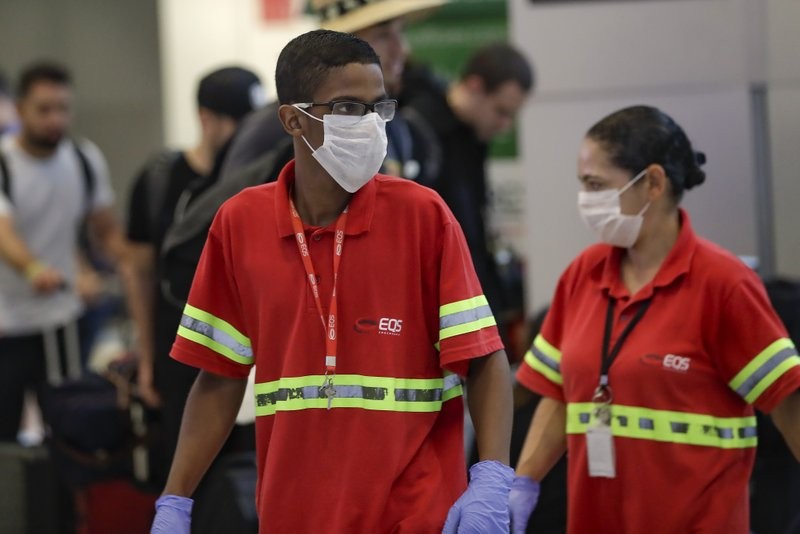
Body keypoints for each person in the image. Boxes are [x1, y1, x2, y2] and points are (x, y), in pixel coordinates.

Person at [151, 29, 515, 533]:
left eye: (378, 107)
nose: (368, 124)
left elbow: (483, 358)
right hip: (293, 514)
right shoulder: (239, 223)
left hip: (415, 514)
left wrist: (492, 477)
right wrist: (175, 500)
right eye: (347, 108)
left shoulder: (422, 215)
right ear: (292, 119)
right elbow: (219, 377)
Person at [508, 105, 800, 533]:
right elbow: (556, 394)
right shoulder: (582, 276)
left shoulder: (723, 285)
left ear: (653, 184)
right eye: (582, 184)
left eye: (596, 185)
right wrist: (523, 484)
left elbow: (788, 403)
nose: (585, 200)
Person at [126, 66, 264, 478]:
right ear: (207, 119)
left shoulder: (262, 180)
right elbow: (138, 270)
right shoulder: (161, 180)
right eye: (240, 123)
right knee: (189, 468)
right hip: (180, 346)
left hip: (248, 349)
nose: (249, 135)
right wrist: (147, 355)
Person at [0, 61, 146, 440]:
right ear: (20, 110)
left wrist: (135, 260)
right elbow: (4, 234)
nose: (55, 119)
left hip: (59, 322)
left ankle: (61, 500)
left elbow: (106, 229)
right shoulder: (4, 163)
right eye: (44, 109)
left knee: (67, 428)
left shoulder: (83, 159)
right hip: (6, 324)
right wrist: (34, 270)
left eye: (63, 109)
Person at [216, 0, 445, 182]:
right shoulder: (279, 127)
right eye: (383, 35)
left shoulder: (393, 124)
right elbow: (233, 221)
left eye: (400, 31)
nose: (402, 49)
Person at [404, 43, 533, 347]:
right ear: (475, 86)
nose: (504, 125)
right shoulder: (419, 127)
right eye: (501, 111)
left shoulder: (472, 136)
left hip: (465, 299)